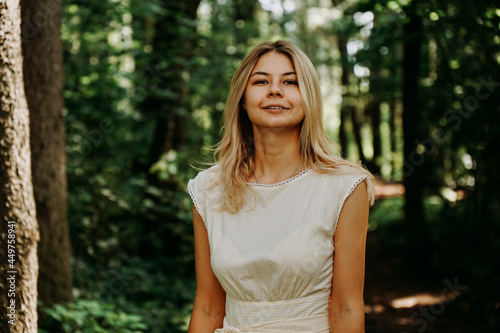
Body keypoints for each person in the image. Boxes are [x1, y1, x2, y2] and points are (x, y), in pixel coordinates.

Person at [187, 40, 375, 333]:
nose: (275, 90)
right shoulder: (209, 188)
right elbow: (208, 307)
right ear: (243, 100)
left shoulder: (345, 186)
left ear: (308, 97)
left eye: (291, 81)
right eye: (261, 81)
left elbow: (346, 308)